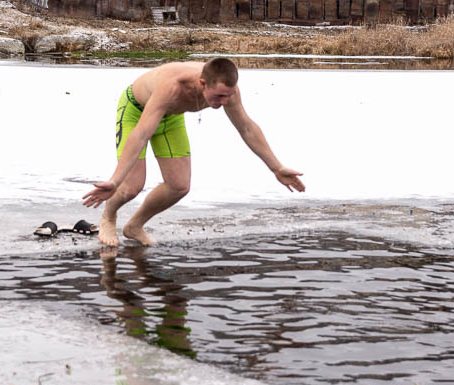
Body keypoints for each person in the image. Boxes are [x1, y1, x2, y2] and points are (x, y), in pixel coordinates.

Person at [82, 58, 304, 246]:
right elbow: (141, 134)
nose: (225, 102)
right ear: (202, 83)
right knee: (131, 187)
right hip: (136, 112)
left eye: (228, 95)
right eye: (219, 96)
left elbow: (246, 127)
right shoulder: (172, 87)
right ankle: (109, 216)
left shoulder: (228, 91)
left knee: (179, 186)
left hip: (170, 117)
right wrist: (114, 180)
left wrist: (276, 167)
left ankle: (134, 226)